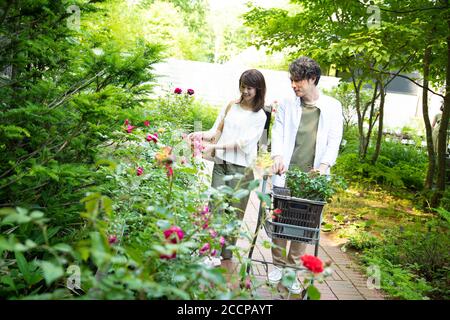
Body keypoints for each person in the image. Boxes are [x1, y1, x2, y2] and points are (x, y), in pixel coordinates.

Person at [268, 57, 343, 294]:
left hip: (313, 179)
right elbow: (278, 131)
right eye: (291, 80)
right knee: (280, 222)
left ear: (312, 79)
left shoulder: (332, 106)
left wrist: (323, 166)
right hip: (287, 174)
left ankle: (291, 272)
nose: (294, 85)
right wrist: (277, 155)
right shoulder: (288, 104)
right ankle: (278, 266)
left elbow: (334, 139)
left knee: (303, 228)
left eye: (298, 80)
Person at [188, 69, 267, 263]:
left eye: (249, 88)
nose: (245, 91)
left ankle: (226, 255)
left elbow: (244, 143)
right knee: (215, 207)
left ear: (258, 89)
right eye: (242, 86)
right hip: (221, 165)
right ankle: (209, 252)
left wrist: (215, 147)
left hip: (241, 168)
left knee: (234, 212)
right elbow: (216, 131)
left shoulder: (260, 116)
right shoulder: (232, 104)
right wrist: (198, 135)